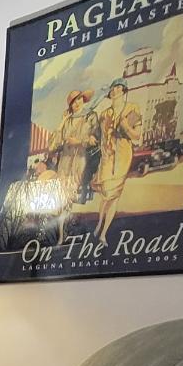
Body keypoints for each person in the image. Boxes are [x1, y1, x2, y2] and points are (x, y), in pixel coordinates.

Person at [91, 78, 143, 245]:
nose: (115, 91)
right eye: (113, 88)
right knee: (106, 193)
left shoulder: (132, 108)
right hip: (107, 156)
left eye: (118, 88)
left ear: (124, 90)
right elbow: (97, 135)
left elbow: (136, 135)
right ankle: (99, 222)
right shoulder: (105, 114)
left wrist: (126, 125)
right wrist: (92, 137)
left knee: (114, 196)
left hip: (122, 156)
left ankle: (103, 232)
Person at [49, 88, 95, 242]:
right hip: (65, 162)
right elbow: (53, 145)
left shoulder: (90, 116)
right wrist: (62, 122)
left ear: (84, 100)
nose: (77, 103)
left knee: (70, 196)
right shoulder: (67, 120)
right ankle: (61, 234)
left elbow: (95, 140)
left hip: (80, 160)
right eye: (73, 101)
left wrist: (80, 142)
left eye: (79, 99)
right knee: (62, 198)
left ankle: (68, 231)